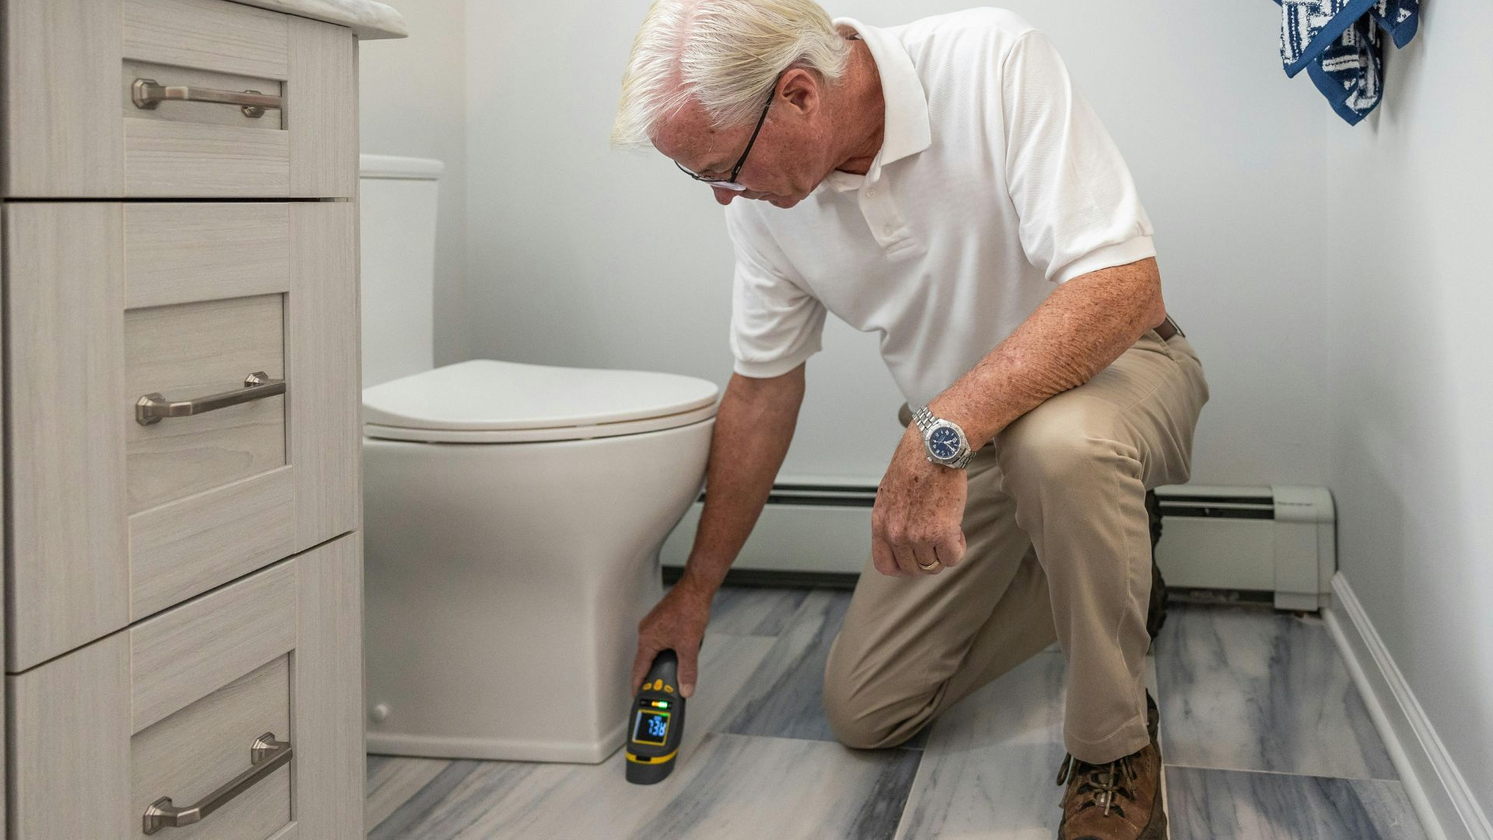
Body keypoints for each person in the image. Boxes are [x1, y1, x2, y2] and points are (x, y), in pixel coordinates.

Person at [611, 2, 1209, 837]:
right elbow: (761, 392)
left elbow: (1122, 287)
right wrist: (695, 590)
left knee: (1059, 449)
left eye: (723, 168)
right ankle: (1112, 552)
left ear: (798, 95)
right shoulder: (761, 207)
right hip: (965, 435)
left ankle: (1113, 750)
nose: (721, 196)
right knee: (867, 710)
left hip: (1114, 370)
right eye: (699, 175)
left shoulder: (990, 61)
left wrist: (940, 429)